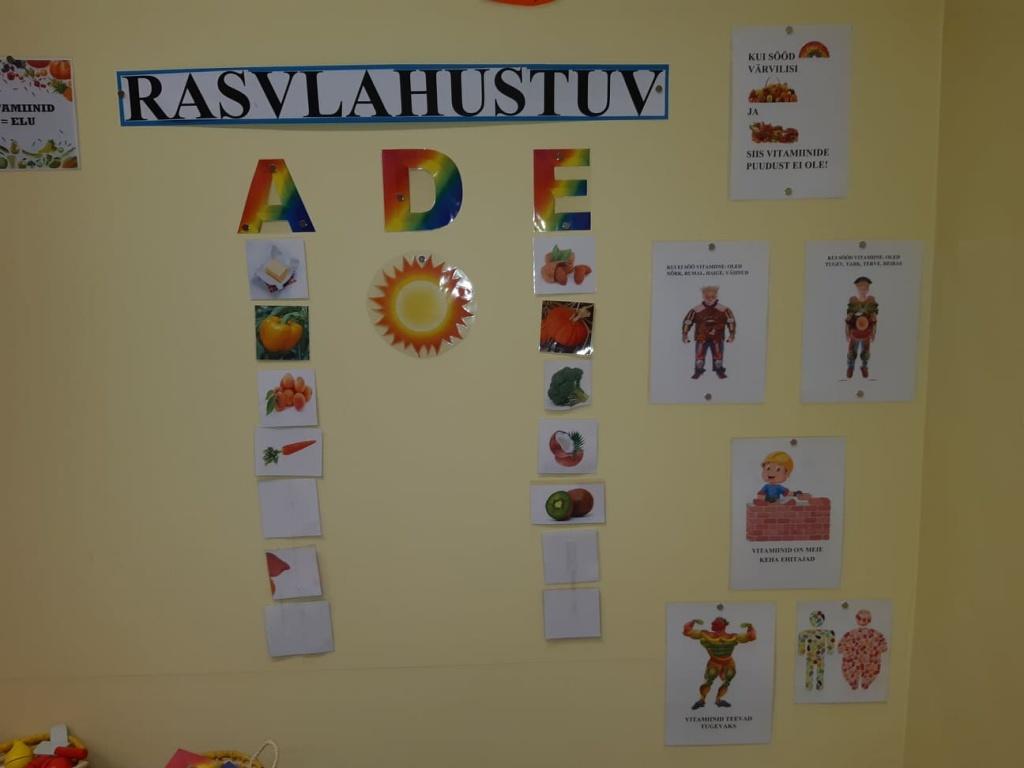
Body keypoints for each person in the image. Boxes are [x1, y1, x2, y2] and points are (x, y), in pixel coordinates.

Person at [682, 616, 756, 709]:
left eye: (715, 622)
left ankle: (718, 700)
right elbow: (687, 631)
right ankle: (702, 700)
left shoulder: (733, 637)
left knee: (727, 680)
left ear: (722, 625)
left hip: (728, 662)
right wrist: (692, 622)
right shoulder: (706, 634)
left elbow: (752, 636)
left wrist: (750, 627)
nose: (712, 623)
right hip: (714, 662)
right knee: (709, 679)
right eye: (713, 622)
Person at [682, 286, 736, 380]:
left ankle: (719, 371)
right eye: (707, 297)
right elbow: (688, 321)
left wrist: (732, 334)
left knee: (718, 356)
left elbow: (731, 321)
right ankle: (698, 371)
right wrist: (685, 334)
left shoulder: (724, 309)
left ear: (716, 296)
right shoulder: (696, 310)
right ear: (703, 296)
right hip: (701, 337)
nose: (710, 299)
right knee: (699, 356)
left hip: (717, 337)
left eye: (712, 296)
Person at [838, 609, 888, 690]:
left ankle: (865, 683)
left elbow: (883, 645)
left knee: (870, 669)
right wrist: (842, 648)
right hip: (854, 658)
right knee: (851, 668)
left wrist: (879, 648)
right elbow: (842, 644)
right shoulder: (852, 633)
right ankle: (854, 683)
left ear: (869, 621)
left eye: (865, 619)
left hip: (869, 659)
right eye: (859, 618)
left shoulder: (874, 634)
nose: (862, 621)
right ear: (856, 619)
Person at [845, 276, 878, 379]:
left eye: (865, 289)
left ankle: (864, 366)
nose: (863, 291)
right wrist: (847, 332)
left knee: (865, 353)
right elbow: (848, 319)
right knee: (851, 352)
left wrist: (874, 332)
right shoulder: (853, 302)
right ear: (857, 288)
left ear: (867, 289)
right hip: (854, 333)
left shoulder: (871, 302)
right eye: (861, 289)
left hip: (866, 333)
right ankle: (850, 367)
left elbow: (874, 319)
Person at [797, 610, 836, 691]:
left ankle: (817, 686)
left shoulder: (824, 632)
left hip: (819, 655)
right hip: (811, 655)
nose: (816, 621)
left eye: (818, 620)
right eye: (814, 619)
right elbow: (801, 637)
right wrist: (801, 650)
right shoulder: (808, 632)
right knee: (811, 670)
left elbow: (831, 636)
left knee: (819, 670)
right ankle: (809, 686)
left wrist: (830, 649)